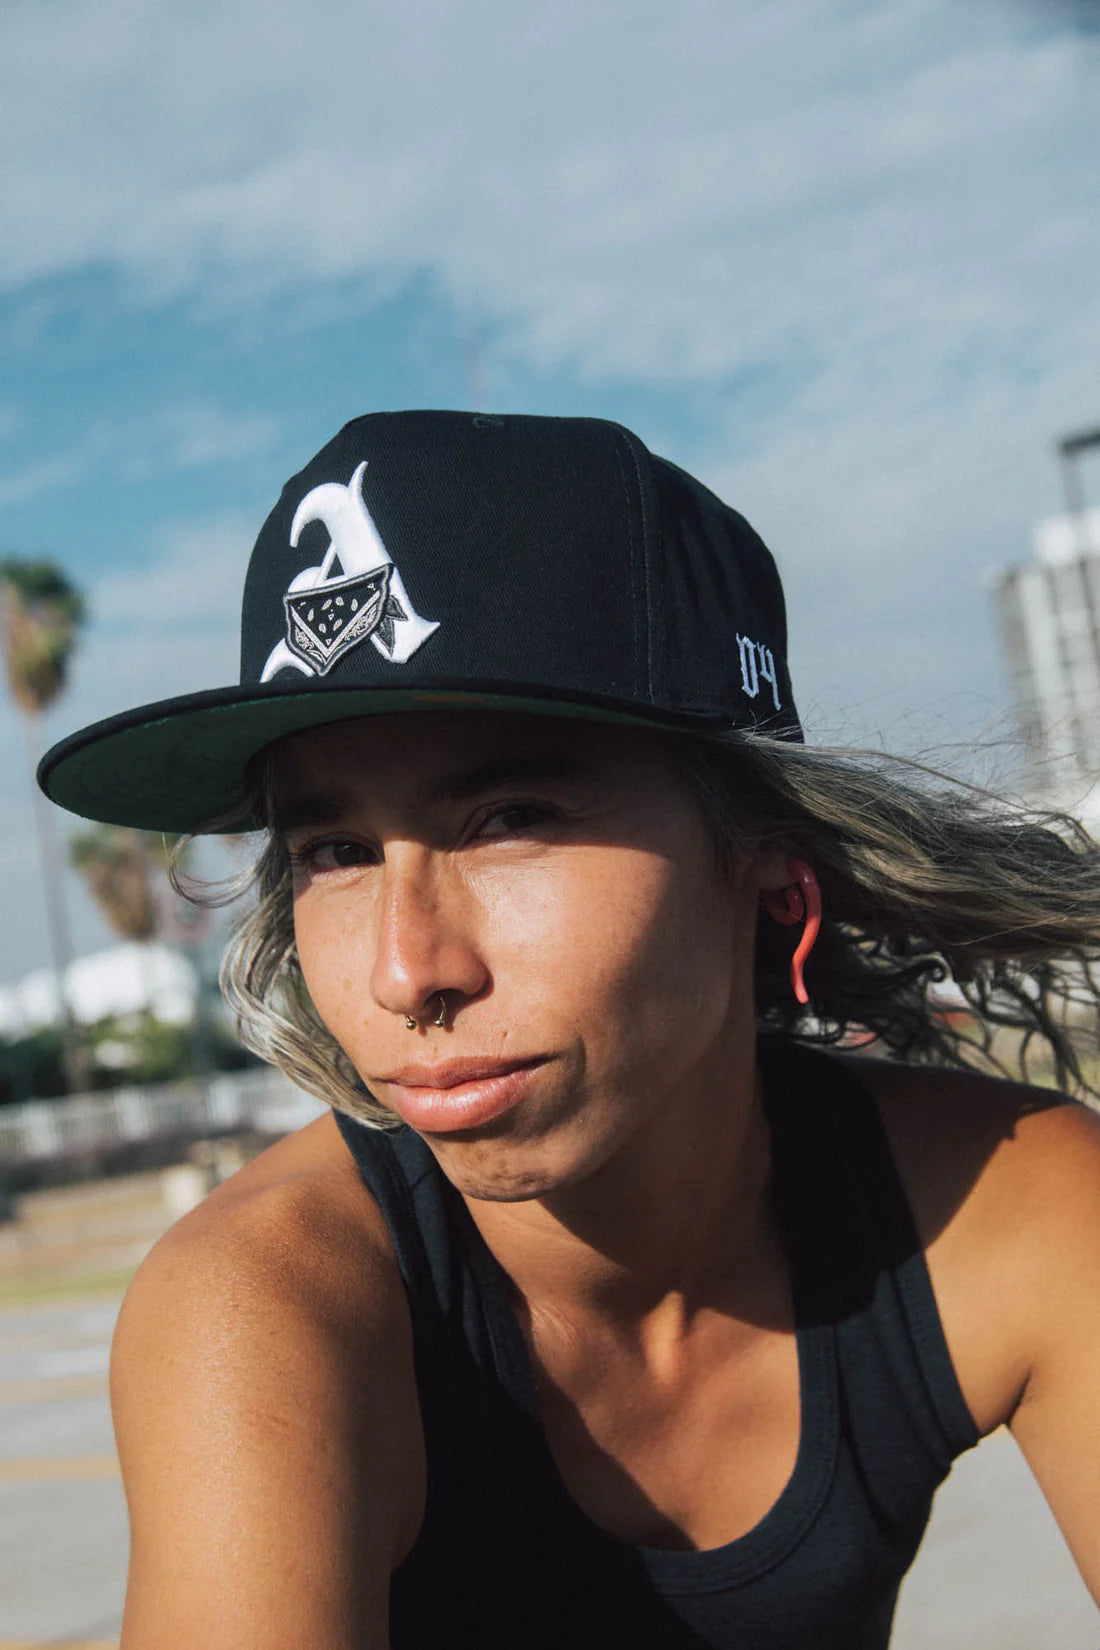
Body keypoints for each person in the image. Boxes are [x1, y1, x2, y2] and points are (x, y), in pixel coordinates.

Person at [40, 410, 1100, 1648]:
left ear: (767, 854)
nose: (406, 970)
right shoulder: (263, 1305)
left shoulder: (1006, 1207)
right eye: (333, 850)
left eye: (509, 820)